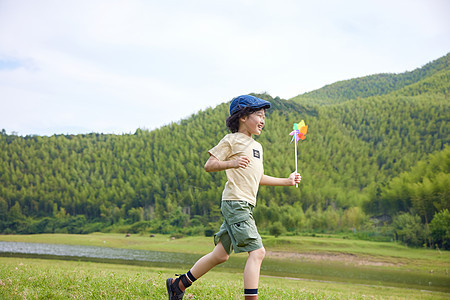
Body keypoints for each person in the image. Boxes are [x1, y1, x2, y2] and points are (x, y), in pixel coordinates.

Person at [166, 95, 302, 300]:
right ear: (243, 117)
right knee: (258, 252)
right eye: (259, 115)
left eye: (264, 116)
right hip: (235, 202)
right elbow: (209, 165)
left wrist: (287, 181)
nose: (263, 120)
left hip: (245, 204)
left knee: (220, 255)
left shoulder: (258, 147)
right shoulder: (231, 140)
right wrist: (233, 162)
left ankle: (179, 284)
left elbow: (258, 177)